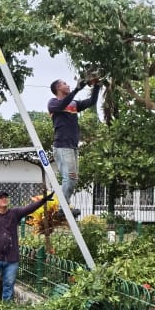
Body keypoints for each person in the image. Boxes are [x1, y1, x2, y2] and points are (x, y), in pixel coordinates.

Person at [47, 75, 101, 211]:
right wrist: (77, 89)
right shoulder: (53, 103)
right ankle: (63, 208)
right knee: (69, 177)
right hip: (62, 146)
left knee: (73, 179)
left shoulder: (74, 104)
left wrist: (96, 85)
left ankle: (64, 206)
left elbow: (92, 101)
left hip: (73, 146)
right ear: (58, 88)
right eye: (64, 83)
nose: (68, 85)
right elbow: (62, 105)